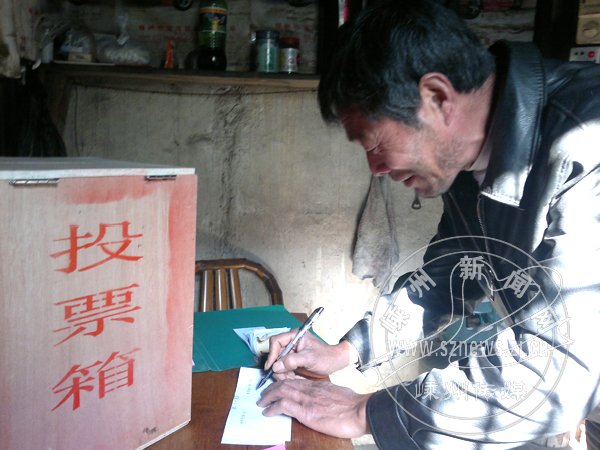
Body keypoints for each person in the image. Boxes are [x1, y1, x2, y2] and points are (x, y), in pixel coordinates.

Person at [256, 1, 600, 448]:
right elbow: (447, 276)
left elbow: (558, 369)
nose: (376, 169)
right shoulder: (467, 160)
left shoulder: (584, 145)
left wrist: (363, 411)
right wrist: (347, 349)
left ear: (436, 97)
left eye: (375, 144)